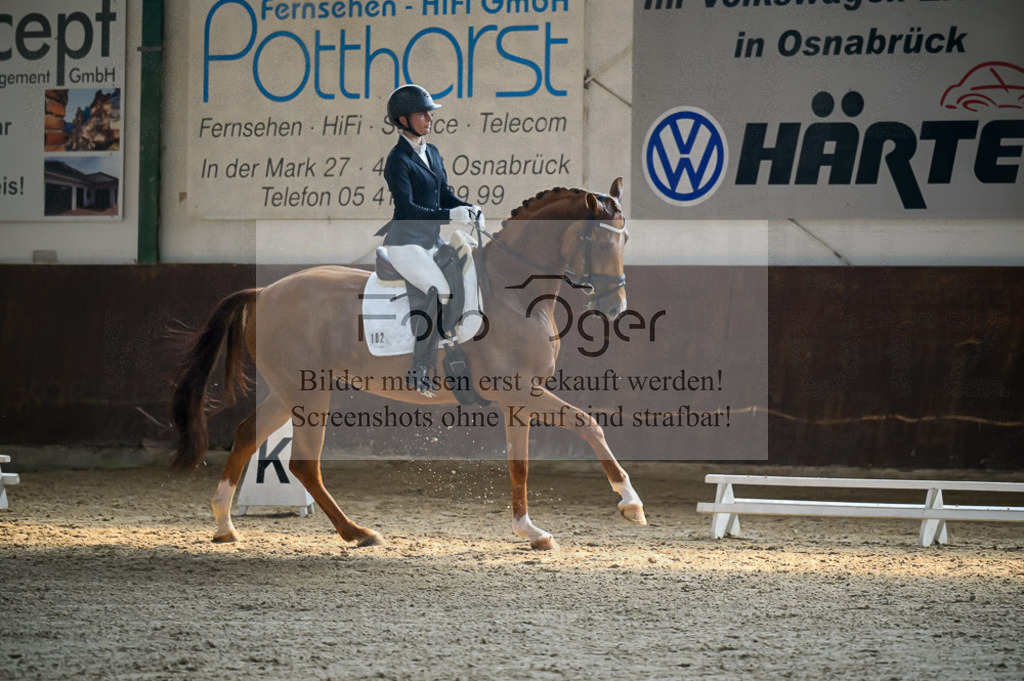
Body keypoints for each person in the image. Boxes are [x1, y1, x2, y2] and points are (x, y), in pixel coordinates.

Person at [375, 84, 480, 396]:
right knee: (439, 289)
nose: (429, 117)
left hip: (430, 242)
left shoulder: (431, 152)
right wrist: (449, 218)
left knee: (467, 273)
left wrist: (466, 207)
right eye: (423, 113)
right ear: (404, 120)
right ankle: (419, 368)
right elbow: (407, 209)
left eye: (429, 112)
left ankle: (452, 346)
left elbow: (444, 194)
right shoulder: (397, 160)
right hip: (405, 244)